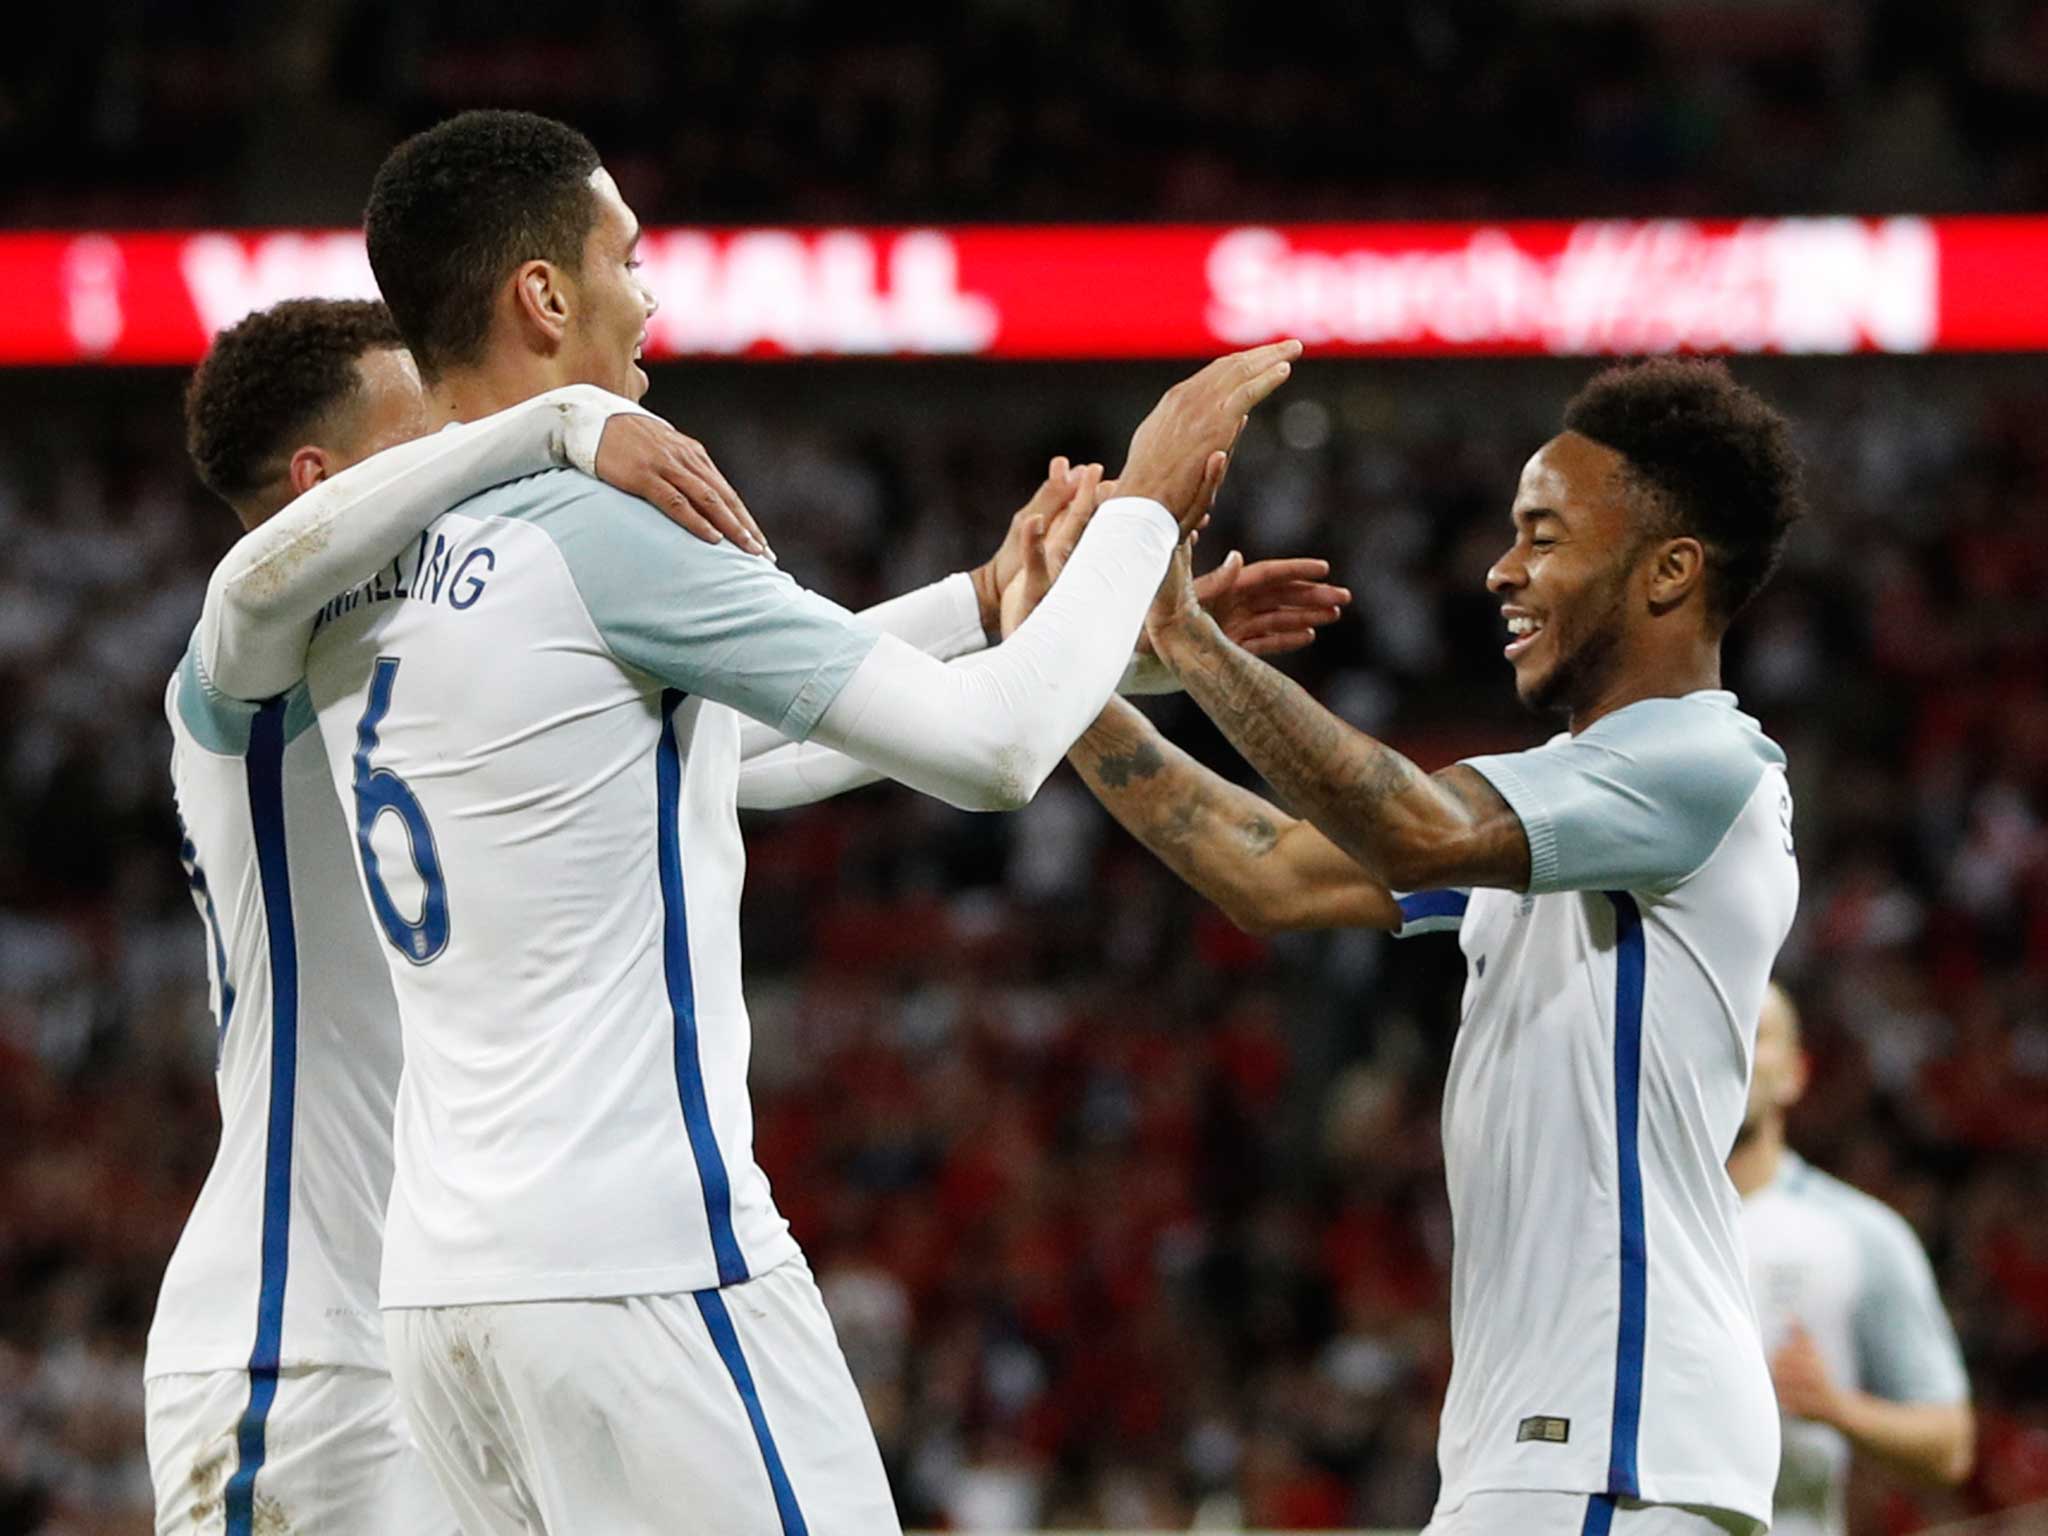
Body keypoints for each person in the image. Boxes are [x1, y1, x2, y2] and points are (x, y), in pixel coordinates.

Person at [190, 106, 1298, 1534]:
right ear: (544, 296)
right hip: (646, 1273)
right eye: (625, 259)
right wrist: (1144, 505)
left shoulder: (356, 579)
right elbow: (995, 752)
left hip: (448, 1307)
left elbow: (740, 754)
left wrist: (1055, 628)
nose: (646, 297)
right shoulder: (605, 529)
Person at [1035, 357, 1807, 1536]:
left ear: (1668, 571)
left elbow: (1412, 825)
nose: (1501, 569)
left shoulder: (1697, 764)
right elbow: (1270, 874)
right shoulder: (1581, 806)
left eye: (1543, 537)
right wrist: (1063, 668)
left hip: (1614, 1436)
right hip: (1559, 1440)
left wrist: (1185, 637)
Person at [150, 296, 755, 1535]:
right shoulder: (246, 666)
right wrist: (558, 425)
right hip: (292, 1349)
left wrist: (994, 619)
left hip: (434, 1335)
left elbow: (740, 756)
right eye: (418, 419)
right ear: (320, 484)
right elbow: (253, 581)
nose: (452, 431)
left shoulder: (414, 677)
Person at [1730, 982, 1973, 1535]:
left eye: (1757, 1034)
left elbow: (1950, 1445)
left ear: (1796, 1072)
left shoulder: (1859, 1235)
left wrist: (1836, 1407)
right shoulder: (1618, 1219)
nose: (1735, 1048)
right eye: (1719, 1027)